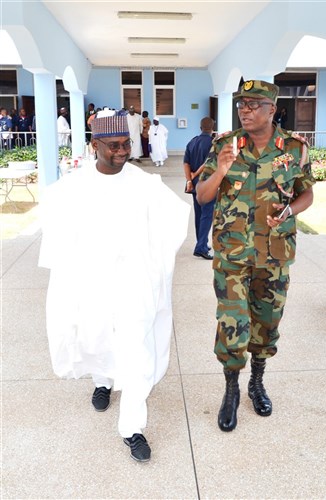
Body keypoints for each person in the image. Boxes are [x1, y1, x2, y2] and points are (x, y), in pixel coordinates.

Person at [39, 109, 190, 463]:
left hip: (134, 286)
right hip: (91, 287)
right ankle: (103, 382)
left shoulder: (143, 184)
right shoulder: (73, 187)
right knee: (96, 339)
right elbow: (54, 223)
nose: (122, 150)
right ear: (95, 146)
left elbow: (173, 219)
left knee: (138, 352)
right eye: (114, 145)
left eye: (126, 143)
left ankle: (132, 428)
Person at [196, 80, 315, 432]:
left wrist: (290, 212)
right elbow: (202, 195)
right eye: (240, 105)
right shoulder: (223, 145)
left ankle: (257, 382)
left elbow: (307, 195)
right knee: (233, 323)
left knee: (267, 322)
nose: (244, 110)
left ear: (271, 109)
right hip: (232, 254)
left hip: (274, 253)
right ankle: (231, 389)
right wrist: (220, 169)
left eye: (252, 104)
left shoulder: (294, 149)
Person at [183, 116, 216, 260]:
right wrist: (196, 173)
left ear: (200, 127)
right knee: (207, 215)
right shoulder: (213, 144)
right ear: (212, 127)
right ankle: (201, 247)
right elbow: (209, 163)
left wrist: (189, 180)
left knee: (199, 214)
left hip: (194, 184)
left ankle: (201, 242)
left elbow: (186, 163)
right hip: (208, 184)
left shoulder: (192, 142)